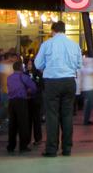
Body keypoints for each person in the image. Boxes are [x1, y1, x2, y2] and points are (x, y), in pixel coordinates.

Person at [34, 20, 81, 157]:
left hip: (52, 82)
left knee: (52, 115)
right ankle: (67, 149)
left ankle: (51, 149)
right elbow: (79, 64)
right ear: (64, 30)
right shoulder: (74, 45)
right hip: (69, 81)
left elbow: (38, 64)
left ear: (53, 30)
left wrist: (47, 68)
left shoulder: (47, 44)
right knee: (67, 115)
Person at [6, 60, 37, 153]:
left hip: (11, 102)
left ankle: (11, 146)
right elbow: (34, 87)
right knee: (23, 124)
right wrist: (28, 92)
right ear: (21, 68)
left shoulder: (9, 77)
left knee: (12, 124)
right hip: (21, 101)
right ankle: (23, 146)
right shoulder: (24, 77)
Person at [79, 56, 93, 125]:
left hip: (89, 88)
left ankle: (87, 119)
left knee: (89, 105)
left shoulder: (85, 68)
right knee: (88, 105)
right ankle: (86, 120)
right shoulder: (86, 68)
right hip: (88, 89)